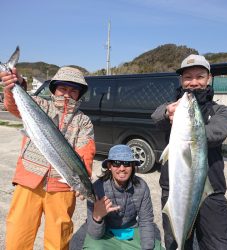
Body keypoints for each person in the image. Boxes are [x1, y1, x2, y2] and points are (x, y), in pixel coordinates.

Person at [1, 66, 96, 249]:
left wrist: (84, 178)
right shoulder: (41, 105)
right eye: (63, 88)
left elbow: (86, 152)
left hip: (62, 188)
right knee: (17, 236)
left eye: (73, 90)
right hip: (29, 180)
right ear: (54, 89)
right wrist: (14, 84)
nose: (67, 94)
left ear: (79, 94)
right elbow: (13, 104)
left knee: (58, 240)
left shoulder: (82, 121)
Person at [151, 54, 227, 250]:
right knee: (174, 242)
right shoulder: (175, 107)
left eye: (199, 77)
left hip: (211, 191)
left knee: (218, 244)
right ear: (181, 80)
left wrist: (188, 127)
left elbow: (216, 133)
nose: (193, 82)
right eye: (188, 77)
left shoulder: (221, 110)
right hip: (174, 189)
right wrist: (167, 112)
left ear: (209, 79)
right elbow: (156, 116)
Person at [83, 144, 163, 250]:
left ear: (133, 166)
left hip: (132, 230)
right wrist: (97, 217)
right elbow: (95, 234)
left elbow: (146, 220)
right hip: (106, 232)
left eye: (127, 163)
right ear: (109, 166)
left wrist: (147, 247)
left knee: (155, 248)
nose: (122, 168)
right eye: (116, 163)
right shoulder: (97, 188)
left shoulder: (141, 186)